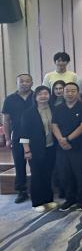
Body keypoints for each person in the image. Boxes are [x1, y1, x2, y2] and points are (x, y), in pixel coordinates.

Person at [51, 82, 82, 211]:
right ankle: (69, 199)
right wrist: (61, 140)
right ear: (63, 93)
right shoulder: (58, 108)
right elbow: (54, 125)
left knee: (80, 174)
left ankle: (81, 199)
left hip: (80, 147)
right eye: (67, 91)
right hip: (61, 147)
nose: (70, 93)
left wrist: (68, 139)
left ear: (78, 93)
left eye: (73, 91)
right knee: (65, 174)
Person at [19, 86, 57, 212]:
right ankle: (37, 202)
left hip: (51, 147)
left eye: (46, 93)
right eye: (40, 94)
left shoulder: (54, 109)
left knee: (48, 174)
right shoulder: (28, 113)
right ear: (35, 97)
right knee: (36, 175)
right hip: (35, 149)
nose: (43, 96)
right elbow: (24, 133)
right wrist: (27, 150)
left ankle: (48, 200)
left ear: (49, 96)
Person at [2, 73, 34, 203]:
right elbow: (6, 120)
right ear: (17, 83)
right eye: (21, 81)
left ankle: (36, 189)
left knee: (35, 165)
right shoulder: (10, 99)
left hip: (35, 137)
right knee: (19, 164)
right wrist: (7, 138)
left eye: (27, 81)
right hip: (17, 136)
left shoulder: (36, 96)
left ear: (32, 83)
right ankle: (21, 191)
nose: (24, 83)